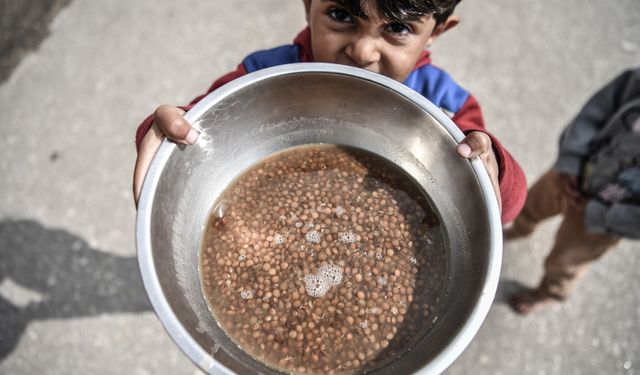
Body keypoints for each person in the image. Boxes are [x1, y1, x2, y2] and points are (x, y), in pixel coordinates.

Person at [133, 0, 527, 223]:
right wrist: (168, 132)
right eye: (341, 15)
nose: (363, 51)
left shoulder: (447, 106)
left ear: (438, 31)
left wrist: (492, 165)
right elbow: (198, 131)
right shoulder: (263, 77)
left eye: (398, 28)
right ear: (308, 5)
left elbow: (504, 209)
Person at [506, 68, 640, 314]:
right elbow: (596, 111)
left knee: (565, 263)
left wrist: (602, 216)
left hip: (603, 221)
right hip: (571, 175)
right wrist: (571, 161)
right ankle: (519, 229)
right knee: (529, 204)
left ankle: (548, 293)